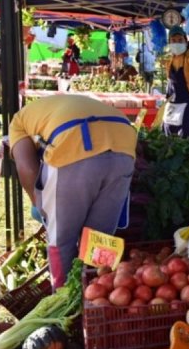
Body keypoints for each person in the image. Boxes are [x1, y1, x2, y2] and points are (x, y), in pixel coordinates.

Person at [8, 94, 137, 288]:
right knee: (100, 238)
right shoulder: (52, 108)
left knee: (61, 240)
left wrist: (40, 204)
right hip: (124, 143)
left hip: (76, 144)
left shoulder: (17, 122)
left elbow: (25, 168)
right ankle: (98, 297)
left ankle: (64, 302)